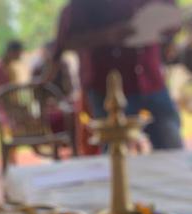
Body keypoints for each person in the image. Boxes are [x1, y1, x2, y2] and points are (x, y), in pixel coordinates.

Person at [52, 0, 183, 150]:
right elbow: (67, 40)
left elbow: (174, 21)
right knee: (114, 151)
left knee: (172, 146)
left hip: (152, 81)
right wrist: (108, 35)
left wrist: (167, 29)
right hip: (107, 89)